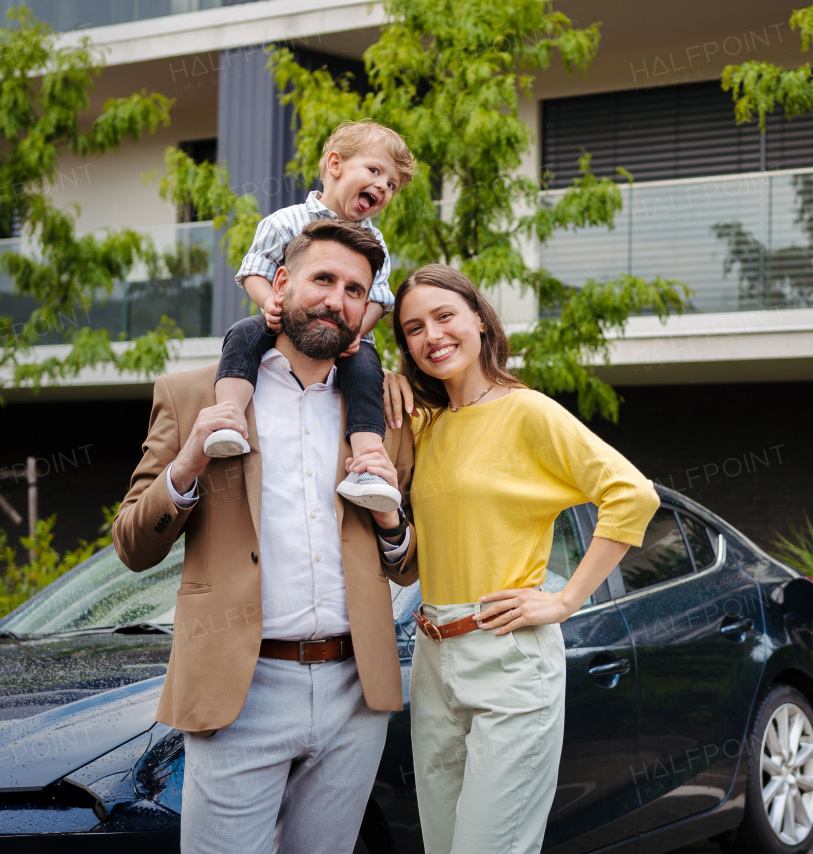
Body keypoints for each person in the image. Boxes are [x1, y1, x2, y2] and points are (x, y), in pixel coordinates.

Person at [113, 220, 418, 854]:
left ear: (368, 308)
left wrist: (391, 520)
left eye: (355, 290)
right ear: (281, 283)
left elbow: (410, 566)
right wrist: (191, 459)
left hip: (355, 692)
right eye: (324, 279)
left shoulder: (383, 413)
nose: (337, 299)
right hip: (239, 690)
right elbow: (133, 545)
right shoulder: (195, 393)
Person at [385, 263, 659, 854]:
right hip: (431, 656)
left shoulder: (527, 411)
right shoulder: (426, 425)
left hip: (507, 656)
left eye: (444, 316)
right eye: (413, 328)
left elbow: (633, 494)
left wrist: (565, 600)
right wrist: (381, 380)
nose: (431, 336)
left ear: (480, 321)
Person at [202, 119, 416, 513]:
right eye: (374, 171)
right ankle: (228, 416)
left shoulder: (375, 241)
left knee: (366, 370)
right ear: (335, 164)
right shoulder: (285, 221)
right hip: (282, 322)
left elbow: (380, 298)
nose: (384, 187)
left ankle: (367, 459)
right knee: (242, 335)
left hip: (347, 336)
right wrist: (271, 303)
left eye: (392, 185)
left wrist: (357, 333)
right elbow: (254, 269)